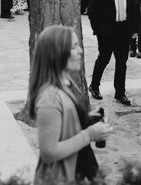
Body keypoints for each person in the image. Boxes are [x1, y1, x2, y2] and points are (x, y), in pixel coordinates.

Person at [28, 25, 112, 184]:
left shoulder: (66, 82)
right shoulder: (49, 98)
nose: (80, 51)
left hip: (78, 171)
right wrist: (89, 135)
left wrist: (87, 120)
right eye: (74, 47)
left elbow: (66, 122)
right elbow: (49, 152)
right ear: (57, 53)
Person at [88, 0, 136, 106]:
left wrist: (133, 29)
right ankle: (94, 86)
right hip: (107, 30)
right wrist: (98, 30)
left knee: (122, 62)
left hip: (124, 29)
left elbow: (132, 8)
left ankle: (120, 93)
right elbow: (93, 11)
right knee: (104, 58)